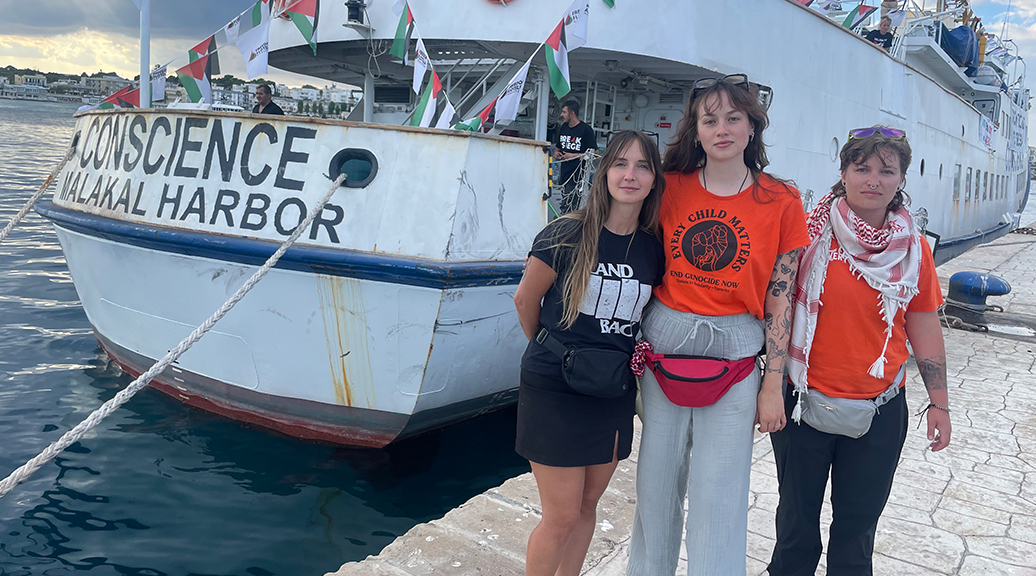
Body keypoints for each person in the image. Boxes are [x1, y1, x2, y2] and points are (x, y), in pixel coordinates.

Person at [626, 73, 810, 576]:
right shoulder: (669, 187)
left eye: (733, 118)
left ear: (753, 126)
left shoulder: (782, 200)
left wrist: (773, 384)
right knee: (656, 487)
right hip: (665, 348)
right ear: (697, 129)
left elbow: (781, 299)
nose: (722, 129)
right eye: (710, 120)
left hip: (736, 355)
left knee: (721, 493)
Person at [768, 126, 951, 576]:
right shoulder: (808, 234)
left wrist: (940, 404)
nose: (873, 179)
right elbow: (776, 306)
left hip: (879, 411)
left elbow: (924, 324)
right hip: (802, 404)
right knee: (794, 529)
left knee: (856, 535)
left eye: (886, 171)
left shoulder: (913, 251)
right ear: (843, 173)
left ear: (901, 179)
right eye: (861, 168)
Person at [514, 130, 665, 576]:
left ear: (654, 179)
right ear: (604, 173)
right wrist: (555, 354)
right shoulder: (565, 233)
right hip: (554, 387)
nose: (630, 175)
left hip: (612, 390)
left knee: (586, 506)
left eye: (642, 166)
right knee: (560, 516)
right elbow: (526, 301)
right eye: (620, 164)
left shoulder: (654, 248)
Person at [555, 100, 598, 214]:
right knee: (565, 203)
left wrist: (573, 156)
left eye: (564, 112)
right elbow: (558, 147)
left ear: (572, 113)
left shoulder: (586, 130)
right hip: (564, 174)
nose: (561, 115)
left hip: (578, 176)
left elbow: (594, 153)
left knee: (572, 207)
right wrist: (557, 154)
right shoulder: (563, 128)